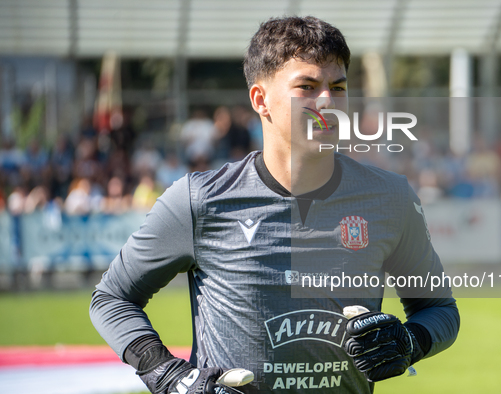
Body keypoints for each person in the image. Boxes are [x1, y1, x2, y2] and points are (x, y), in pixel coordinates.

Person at [90, 16, 459, 394]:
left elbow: (441, 310)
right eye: (307, 86)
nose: (328, 101)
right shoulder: (199, 200)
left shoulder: (390, 197)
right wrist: (166, 373)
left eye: (338, 86)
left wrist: (409, 343)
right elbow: (111, 298)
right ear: (261, 100)